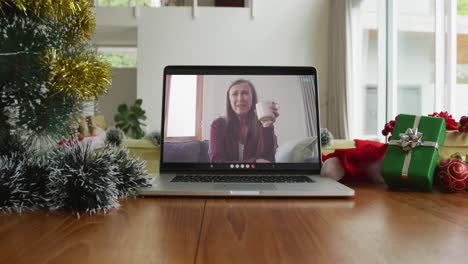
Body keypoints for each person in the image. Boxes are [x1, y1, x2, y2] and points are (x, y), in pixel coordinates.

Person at [209, 79, 279, 163]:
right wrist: (253, 162)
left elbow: (267, 161)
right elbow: (216, 162)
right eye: (235, 94)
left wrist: (266, 127)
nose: (240, 98)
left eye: (245, 93)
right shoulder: (218, 125)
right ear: (229, 100)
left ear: (252, 98)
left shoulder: (261, 124)